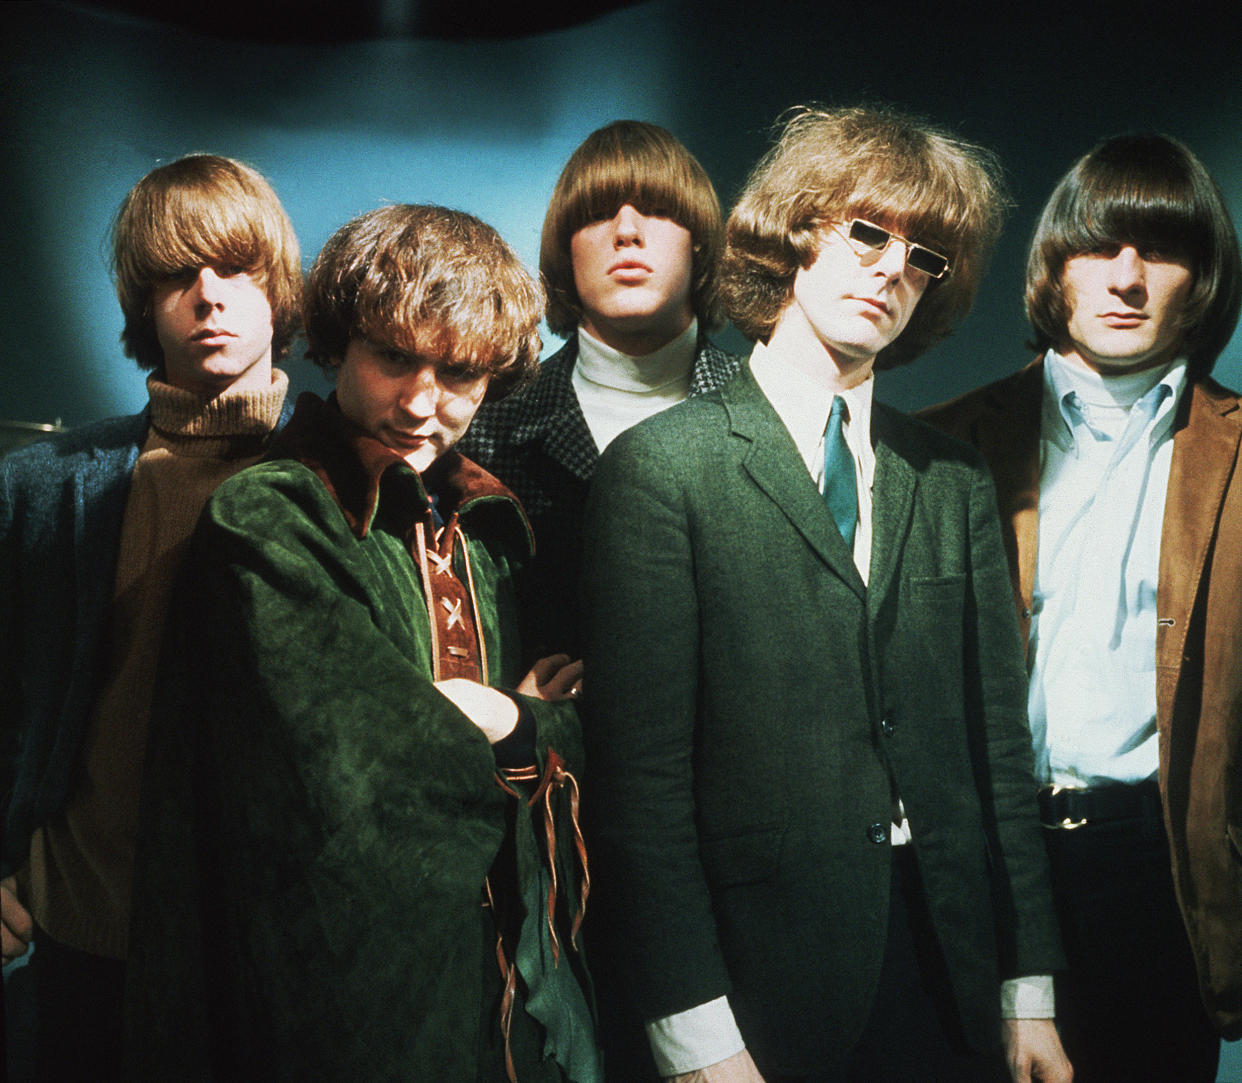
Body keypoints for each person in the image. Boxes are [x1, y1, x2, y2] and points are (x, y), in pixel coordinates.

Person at [581, 105, 1071, 1083]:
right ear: (797, 238)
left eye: (924, 253)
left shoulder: (949, 481)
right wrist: (694, 1033)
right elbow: (640, 795)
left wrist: (1030, 991)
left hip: (950, 976)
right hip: (761, 989)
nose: (894, 266)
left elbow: (996, 758)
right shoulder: (660, 470)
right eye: (866, 233)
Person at [125, 204, 602, 1081]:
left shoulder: (492, 524)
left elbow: (580, 733)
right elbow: (365, 781)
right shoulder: (272, 511)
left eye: (459, 372)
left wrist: (518, 722)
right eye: (395, 357)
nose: (423, 402)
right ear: (340, 343)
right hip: (341, 1000)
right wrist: (535, 729)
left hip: (502, 988)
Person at [921, 132, 1242, 1081]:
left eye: (1161, 251)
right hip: (980, 860)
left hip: (1163, 871)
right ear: (1055, 268)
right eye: (1099, 247)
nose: (1128, 278)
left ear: (1204, 280)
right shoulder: (940, 449)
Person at [0, 153, 299, 1079]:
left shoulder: (351, 474)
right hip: (88, 939)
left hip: (285, 950)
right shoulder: (41, 488)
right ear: (142, 302)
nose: (208, 296)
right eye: (176, 272)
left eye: (236, 267)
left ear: (280, 288)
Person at [459, 120, 739, 660]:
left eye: (656, 209)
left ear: (699, 242)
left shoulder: (772, 415)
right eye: (595, 213)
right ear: (565, 252)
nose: (626, 231)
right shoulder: (484, 429)